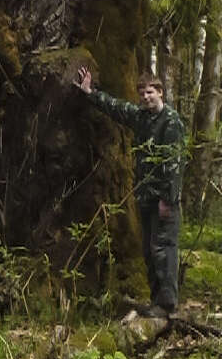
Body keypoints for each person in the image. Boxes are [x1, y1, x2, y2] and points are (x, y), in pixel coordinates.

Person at [73, 61, 186, 314]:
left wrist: (168, 200)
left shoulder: (171, 122)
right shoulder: (141, 117)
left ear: (160, 93)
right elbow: (117, 108)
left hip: (164, 201)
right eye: (142, 93)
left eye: (150, 92)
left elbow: (174, 164)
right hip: (146, 198)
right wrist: (90, 93)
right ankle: (157, 301)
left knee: (164, 249)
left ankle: (167, 304)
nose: (146, 97)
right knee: (148, 250)